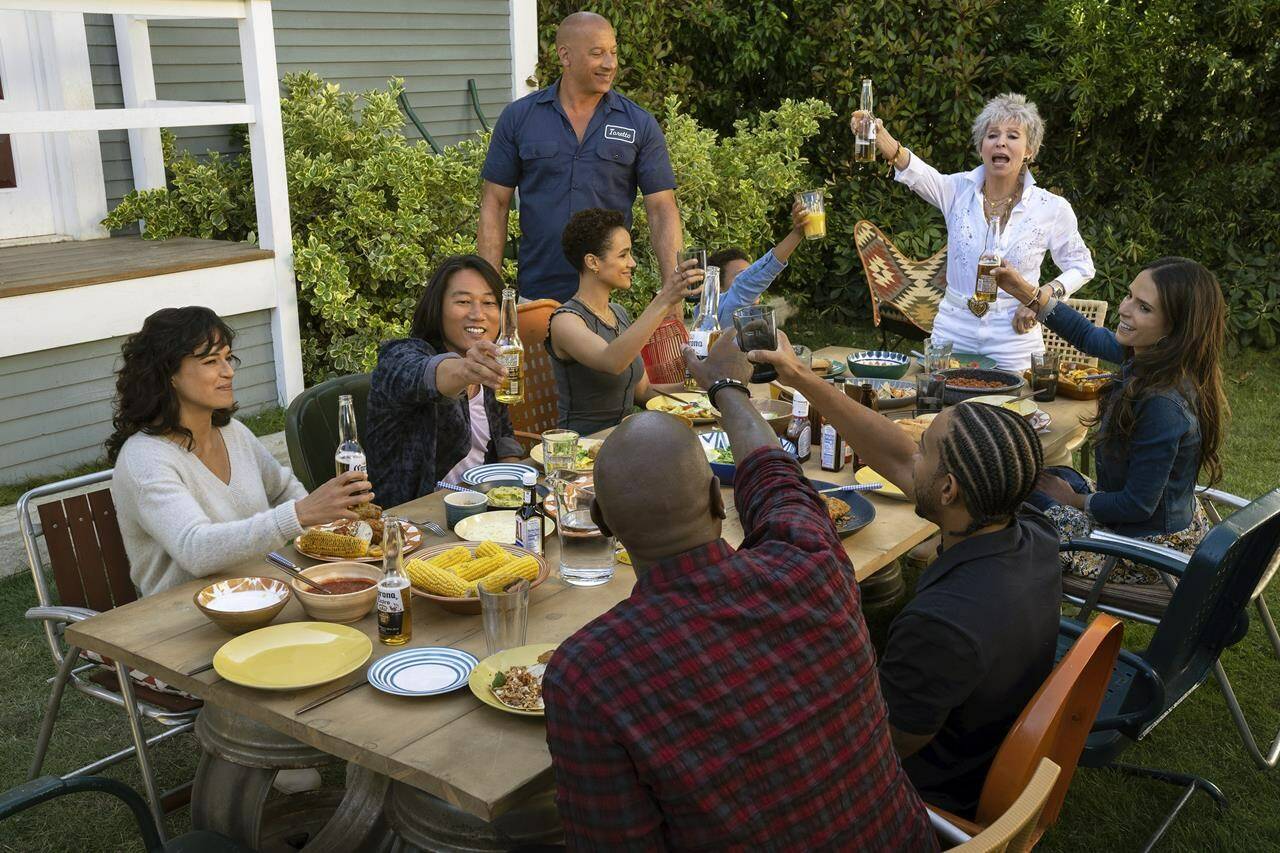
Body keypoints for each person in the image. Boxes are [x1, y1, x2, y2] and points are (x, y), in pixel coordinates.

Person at [541, 332, 935, 850]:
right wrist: (726, 388)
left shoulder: (588, 675)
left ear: (602, 523)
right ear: (715, 498)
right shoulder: (811, 564)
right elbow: (775, 475)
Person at [751, 334, 1060, 816]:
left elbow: (876, 748)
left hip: (924, 791)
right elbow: (896, 455)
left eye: (925, 450)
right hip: (981, 736)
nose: (911, 454)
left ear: (949, 489)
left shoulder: (943, 625)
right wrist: (801, 378)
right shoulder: (1033, 537)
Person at [994, 256, 1226, 587]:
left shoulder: (1162, 403)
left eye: (1144, 307)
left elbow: (1136, 506)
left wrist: (1073, 501)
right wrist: (1022, 290)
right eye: (1130, 296)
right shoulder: (1156, 361)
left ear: (1175, 328)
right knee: (1038, 476)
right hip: (1142, 523)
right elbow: (1087, 335)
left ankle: (985, 593)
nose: (1126, 309)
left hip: (1142, 549)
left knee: (1008, 493)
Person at [108, 307, 371, 597]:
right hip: (183, 620)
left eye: (228, 357)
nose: (229, 371)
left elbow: (283, 488)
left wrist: (323, 529)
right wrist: (299, 515)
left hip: (263, 593)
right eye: (211, 361)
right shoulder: (145, 460)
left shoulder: (232, 432)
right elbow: (195, 550)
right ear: (169, 374)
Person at [853, 93, 1095, 371]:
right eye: (992, 135)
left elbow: (1082, 266)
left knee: (1013, 411)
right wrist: (878, 133)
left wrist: (1040, 297)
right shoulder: (957, 190)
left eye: (1013, 136)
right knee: (941, 407)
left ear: (1030, 150)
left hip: (1014, 339)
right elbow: (914, 169)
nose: (1001, 141)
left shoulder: (1051, 208)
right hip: (953, 331)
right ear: (982, 147)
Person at [477, 11, 682, 303]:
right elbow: (494, 205)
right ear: (565, 56)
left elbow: (662, 210)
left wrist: (671, 293)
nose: (610, 64)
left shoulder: (638, 123)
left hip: (608, 301)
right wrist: (488, 294)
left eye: (613, 52)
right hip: (537, 299)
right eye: (598, 53)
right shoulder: (519, 118)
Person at [367, 255, 524, 506]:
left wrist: (514, 488)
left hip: (483, 507)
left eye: (488, 302)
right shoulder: (400, 356)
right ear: (437, 307)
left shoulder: (490, 361)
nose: (477, 314)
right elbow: (417, 374)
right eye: (463, 301)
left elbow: (502, 434)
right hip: (417, 520)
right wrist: (464, 370)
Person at [546, 208, 699, 434]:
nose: (633, 263)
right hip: (584, 447)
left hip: (626, 439)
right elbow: (612, 361)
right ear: (592, 262)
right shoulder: (565, 321)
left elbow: (643, 392)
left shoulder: (618, 313)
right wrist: (665, 299)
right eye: (623, 255)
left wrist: (698, 386)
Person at [708, 197, 811, 328]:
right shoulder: (720, 314)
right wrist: (797, 234)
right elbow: (745, 284)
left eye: (750, 273)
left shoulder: (756, 320)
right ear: (718, 289)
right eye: (741, 276)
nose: (750, 280)